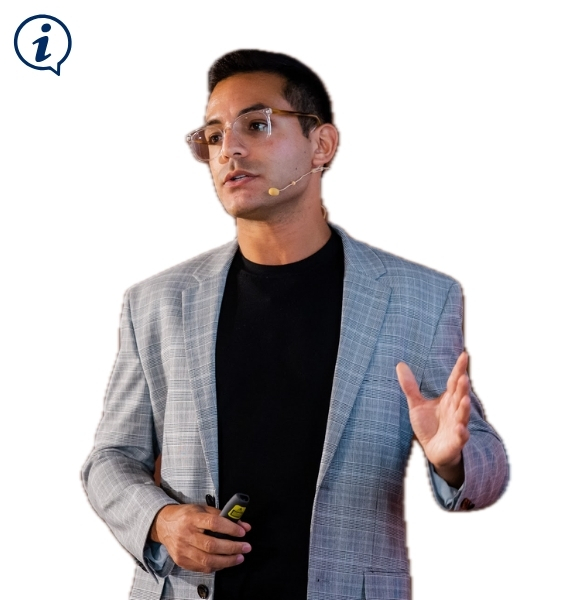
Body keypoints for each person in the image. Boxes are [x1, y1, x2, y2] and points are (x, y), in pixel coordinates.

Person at [82, 49, 509, 600]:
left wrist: (451, 459)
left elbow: (487, 466)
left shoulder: (419, 298)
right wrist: (162, 521)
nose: (229, 149)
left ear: (321, 145)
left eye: (257, 125)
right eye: (214, 136)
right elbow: (110, 460)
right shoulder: (156, 303)